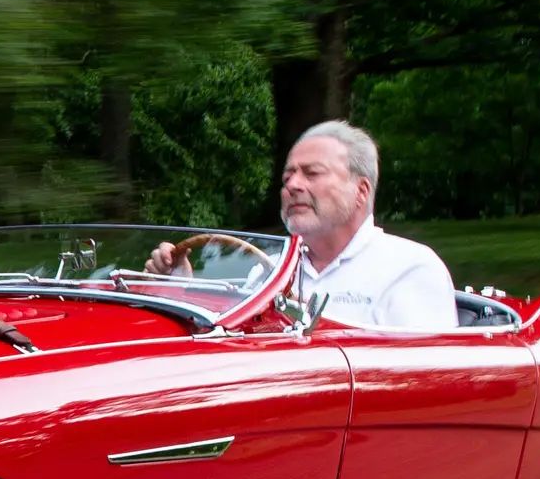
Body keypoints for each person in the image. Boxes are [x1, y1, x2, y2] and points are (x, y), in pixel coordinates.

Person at [146, 121, 458, 331]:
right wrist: (177, 290)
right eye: (287, 177)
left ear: (361, 191)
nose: (292, 185)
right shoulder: (269, 271)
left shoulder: (410, 269)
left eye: (312, 173)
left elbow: (425, 382)